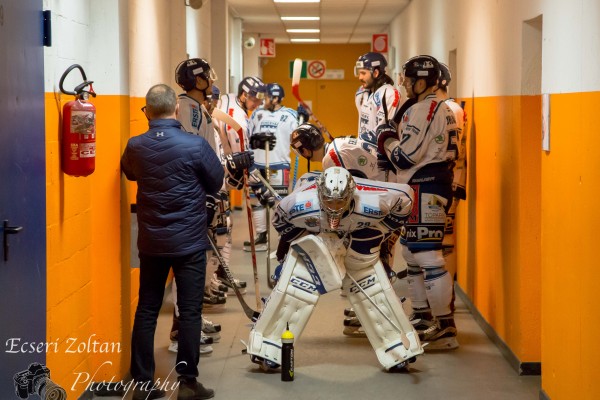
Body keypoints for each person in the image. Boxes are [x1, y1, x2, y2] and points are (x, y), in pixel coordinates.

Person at [246, 166, 423, 372]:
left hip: (360, 241)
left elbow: (407, 198)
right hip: (320, 240)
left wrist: (378, 233)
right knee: (297, 287)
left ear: (352, 193)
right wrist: (305, 241)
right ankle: (268, 346)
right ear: (320, 193)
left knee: (372, 290)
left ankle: (398, 348)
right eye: (329, 200)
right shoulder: (299, 203)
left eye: (340, 200)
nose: (334, 206)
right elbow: (280, 218)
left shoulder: (375, 201)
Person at [121, 83, 227, 400]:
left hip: (152, 242)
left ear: (147, 112)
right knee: (191, 311)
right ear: (176, 109)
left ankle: (142, 384)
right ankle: (187, 383)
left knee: (147, 309)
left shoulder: (135, 145)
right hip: (189, 243)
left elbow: (129, 173)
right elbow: (216, 180)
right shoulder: (194, 145)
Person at [377, 55, 460, 351]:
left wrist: (385, 139)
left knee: (427, 256)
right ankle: (425, 317)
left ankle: (446, 327)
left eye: (409, 80)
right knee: (412, 254)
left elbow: (403, 157)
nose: (405, 84)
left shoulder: (425, 109)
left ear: (421, 82)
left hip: (427, 187)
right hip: (423, 187)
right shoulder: (436, 107)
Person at [172, 59, 225, 355]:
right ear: (197, 80)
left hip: (203, 194)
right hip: (192, 198)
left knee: (199, 265)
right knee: (187, 266)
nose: (210, 79)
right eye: (206, 76)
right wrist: (201, 194)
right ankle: (180, 330)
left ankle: (190, 321)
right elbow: (190, 155)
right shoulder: (188, 109)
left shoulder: (199, 108)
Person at [215, 76, 277, 254]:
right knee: (224, 224)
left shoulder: (229, 98)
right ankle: (219, 274)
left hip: (216, 163)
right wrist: (259, 187)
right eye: (255, 99)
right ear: (244, 95)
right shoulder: (238, 119)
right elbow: (241, 160)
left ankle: (219, 274)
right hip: (218, 171)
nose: (257, 104)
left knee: (221, 224)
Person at [245, 83, 298, 251]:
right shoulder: (257, 113)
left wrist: (304, 120)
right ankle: (261, 237)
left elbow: (298, 136)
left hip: (279, 165)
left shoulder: (290, 115)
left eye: (266, 96)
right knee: (257, 201)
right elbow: (248, 136)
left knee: (279, 203)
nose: (262, 100)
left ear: (275, 98)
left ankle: (286, 238)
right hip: (257, 165)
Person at [436, 63, 467, 312]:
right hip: (448, 181)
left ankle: (445, 303)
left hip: (443, 182)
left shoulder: (444, 110)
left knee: (441, 245)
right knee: (440, 244)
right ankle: (443, 301)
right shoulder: (455, 108)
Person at [354, 52, 401, 146]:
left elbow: (384, 132)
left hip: (379, 155)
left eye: (363, 73)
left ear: (375, 73)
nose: (360, 77)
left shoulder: (389, 94)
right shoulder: (361, 93)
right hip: (363, 150)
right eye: (359, 73)